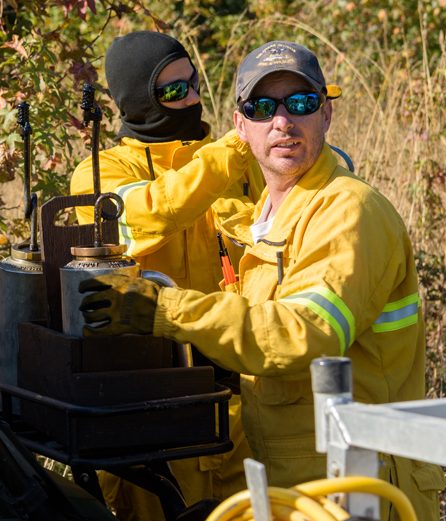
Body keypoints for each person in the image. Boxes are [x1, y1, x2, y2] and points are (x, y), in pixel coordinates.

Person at [77, 40, 446, 520]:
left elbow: (304, 330)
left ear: (326, 114)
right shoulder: (110, 173)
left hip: (349, 480)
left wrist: (167, 310)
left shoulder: (347, 209)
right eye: (261, 107)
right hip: (237, 443)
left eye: (300, 104)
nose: (282, 122)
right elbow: (139, 217)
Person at [70, 30, 265, 521]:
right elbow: (146, 215)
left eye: (194, 83)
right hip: (151, 411)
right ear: (138, 100)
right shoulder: (102, 172)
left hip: (237, 402)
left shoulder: (235, 162)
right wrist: (228, 155)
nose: (194, 98)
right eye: (174, 91)